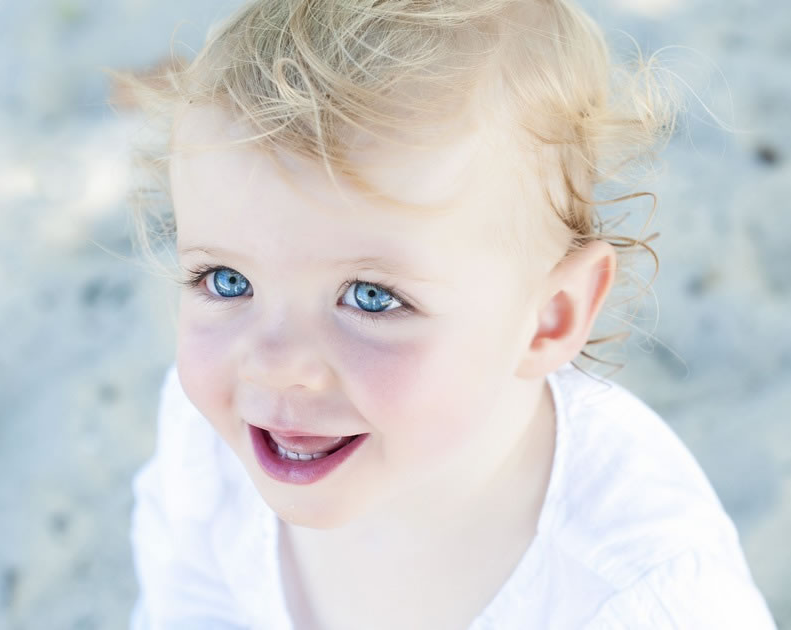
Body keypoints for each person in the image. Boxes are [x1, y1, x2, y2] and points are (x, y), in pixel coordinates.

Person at [121, 1, 777, 627]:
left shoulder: (639, 599)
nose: (272, 366)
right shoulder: (212, 442)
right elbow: (190, 599)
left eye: (371, 297)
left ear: (549, 316)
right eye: (227, 280)